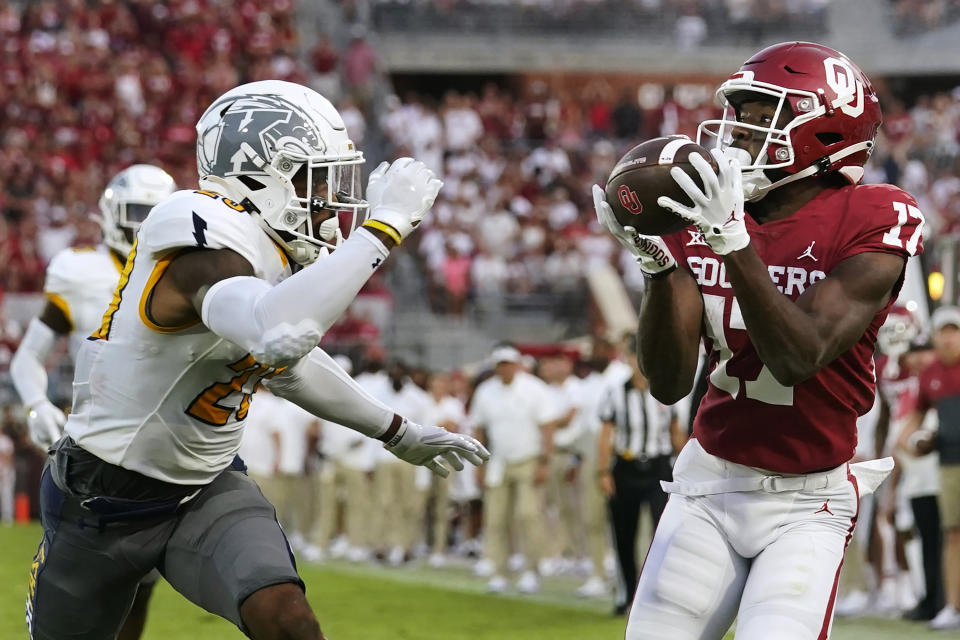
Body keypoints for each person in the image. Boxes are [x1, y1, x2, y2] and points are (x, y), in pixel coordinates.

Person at [26, 80, 489, 640]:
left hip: (205, 488)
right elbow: (260, 319)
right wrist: (381, 231)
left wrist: (398, 431)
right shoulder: (198, 223)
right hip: (99, 495)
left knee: (288, 620)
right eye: (315, 176)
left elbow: (291, 365)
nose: (330, 197)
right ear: (258, 173)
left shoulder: (274, 254)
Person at [594, 41, 923, 639]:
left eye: (757, 114)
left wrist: (732, 241)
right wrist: (657, 266)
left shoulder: (873, 215)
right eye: (737, 114)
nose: (735, 132)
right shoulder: (704, 219)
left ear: (823, 130)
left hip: (808, 502)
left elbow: (799, 355)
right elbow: (667, 384)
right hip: (708, 482)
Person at [12, 164, 177, 640]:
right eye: (138, 213)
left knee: (141, 581)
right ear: (112, 214)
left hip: (161, 444)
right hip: (93, 443)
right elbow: (28, 359)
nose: (145, 225)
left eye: (156, 213)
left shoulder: (188, 267)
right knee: (76, 577)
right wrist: (36, 405)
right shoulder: (79, 270)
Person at [596, 333, 687, 616]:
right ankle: (626, 594)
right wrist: (603, 471)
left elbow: (676, 433)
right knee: (624, 533)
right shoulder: (615, 392)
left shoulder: (665, 391)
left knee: (663, 531)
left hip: (659, 467)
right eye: (635, 357)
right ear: (628, 360)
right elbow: (606, 434)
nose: (639, 363)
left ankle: (659, 592)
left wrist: (684, 470)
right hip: (626, 466)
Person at [469, 344, 562, 594]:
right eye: (500, 365)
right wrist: (478, 465)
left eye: (509, 364)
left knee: (527, 515)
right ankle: (500, 571)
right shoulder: (486, 391)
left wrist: (545, 461)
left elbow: (548, 426)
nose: (505, 369)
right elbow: (478, 429)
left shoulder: (534, 389)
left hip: (528, 459)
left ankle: (531, 570)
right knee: (496, 518)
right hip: (498, 460)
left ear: (517, 365)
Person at [897, 305, 960, 630]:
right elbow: (917, 416)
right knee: (952, 533)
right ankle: (952, 606)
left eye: (954, 331)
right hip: (950, 461)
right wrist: (909, 441)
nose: (949, 338)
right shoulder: (931, 374)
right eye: (943, 332)